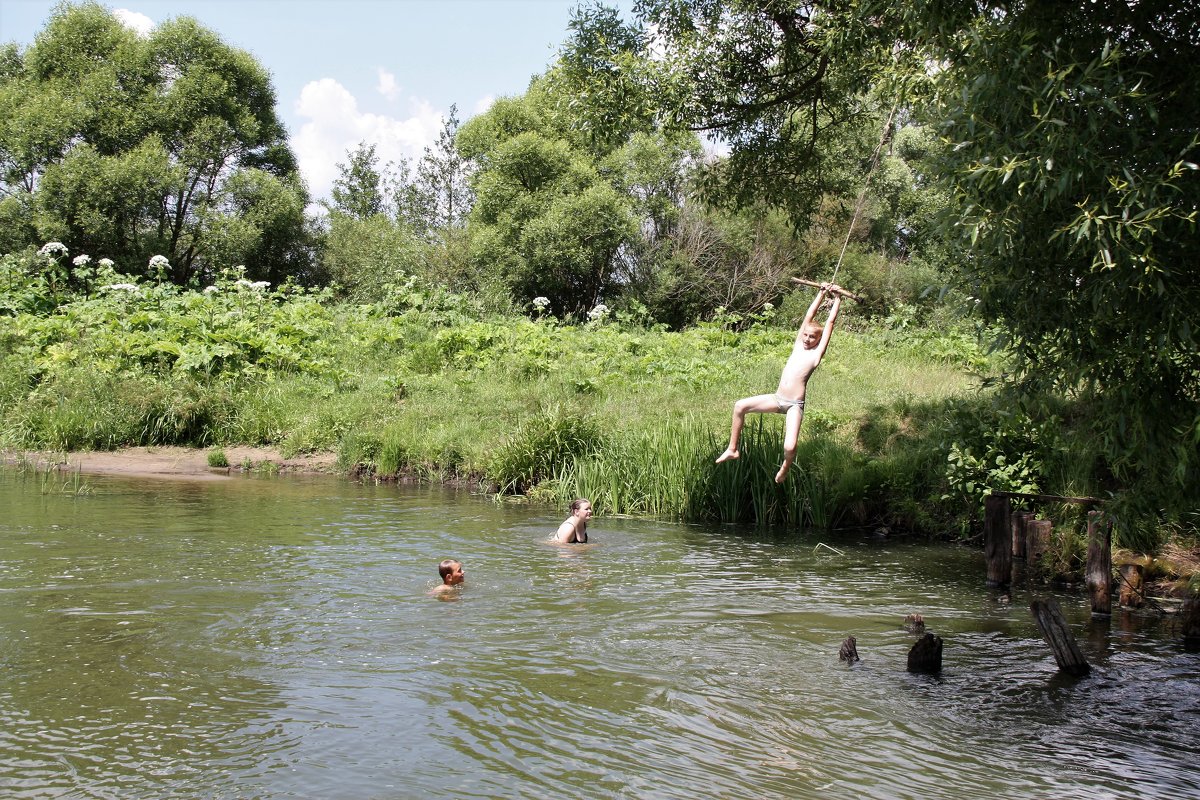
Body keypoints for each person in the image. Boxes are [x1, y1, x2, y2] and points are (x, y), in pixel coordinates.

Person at [716, 282, 844, 483]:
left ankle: (785, 467)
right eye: (806, 335)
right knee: (740, 405)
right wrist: (821, 293)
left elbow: (829, 324)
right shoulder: (797, 346)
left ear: (818, 340)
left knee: (790, 447)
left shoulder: (816, 354)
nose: (807, 339)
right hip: (777, 399)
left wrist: (837, 298)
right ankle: (732, 449)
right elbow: (808, 316)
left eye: (812, 337)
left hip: (794, 405)